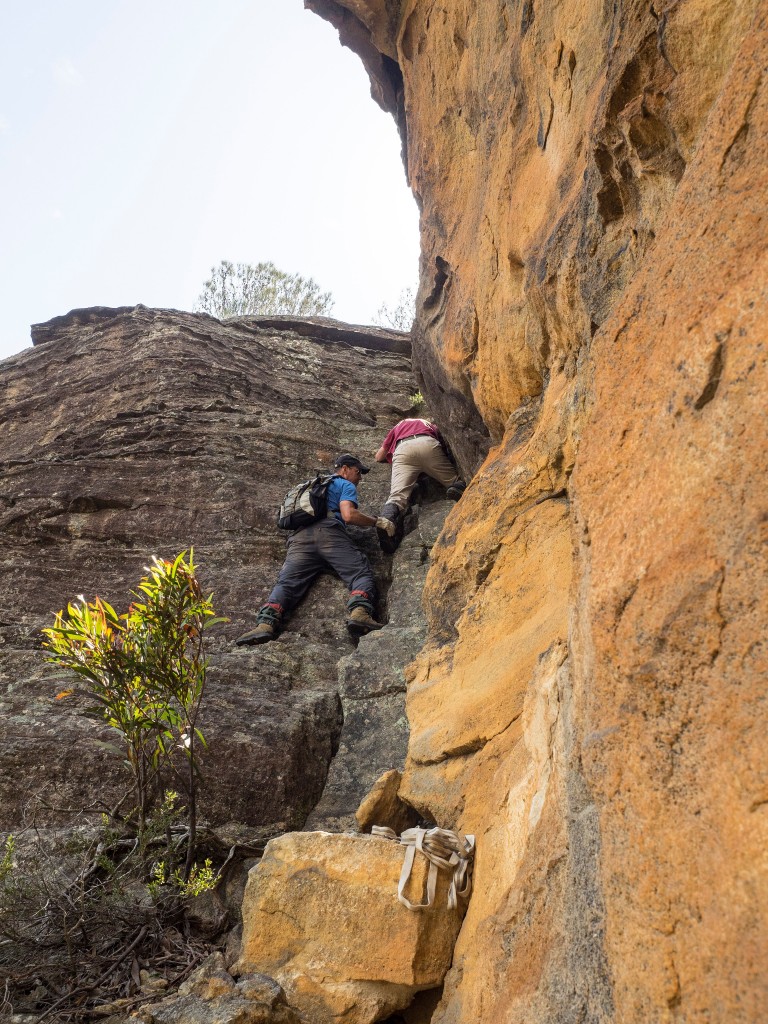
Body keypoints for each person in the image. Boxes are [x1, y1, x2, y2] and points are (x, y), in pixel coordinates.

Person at [235, 454, 392, 646]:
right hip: (328, 535)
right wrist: (378, 521)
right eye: (358, 472)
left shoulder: (312, 486)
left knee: (287, 583)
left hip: (300, 539)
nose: (360, 477)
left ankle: (265, 624)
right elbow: (349, 515)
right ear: (344, 469)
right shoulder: (344, 485)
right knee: (359, 572)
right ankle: (360, 613)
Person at [374, 418, 466, 552]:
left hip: (403, 449)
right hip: (427, 444)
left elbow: (379, 456)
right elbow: (445, 445)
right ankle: (454, 488)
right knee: (454, 481)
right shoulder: (429, 425)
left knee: (396, 498)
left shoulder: (399, 426)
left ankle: (386, 522)